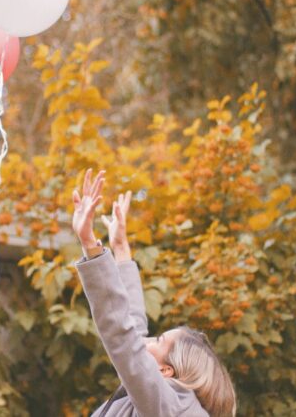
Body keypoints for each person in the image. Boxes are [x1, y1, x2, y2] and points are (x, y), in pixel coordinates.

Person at [71, 169, 237, 417]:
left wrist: (89, 243)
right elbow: (131, 326)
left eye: (157, 341)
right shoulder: (169, 404)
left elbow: (123, 334)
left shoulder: (167, 406)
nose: (144, 342)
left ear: (165, 371)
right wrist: (120, 247)